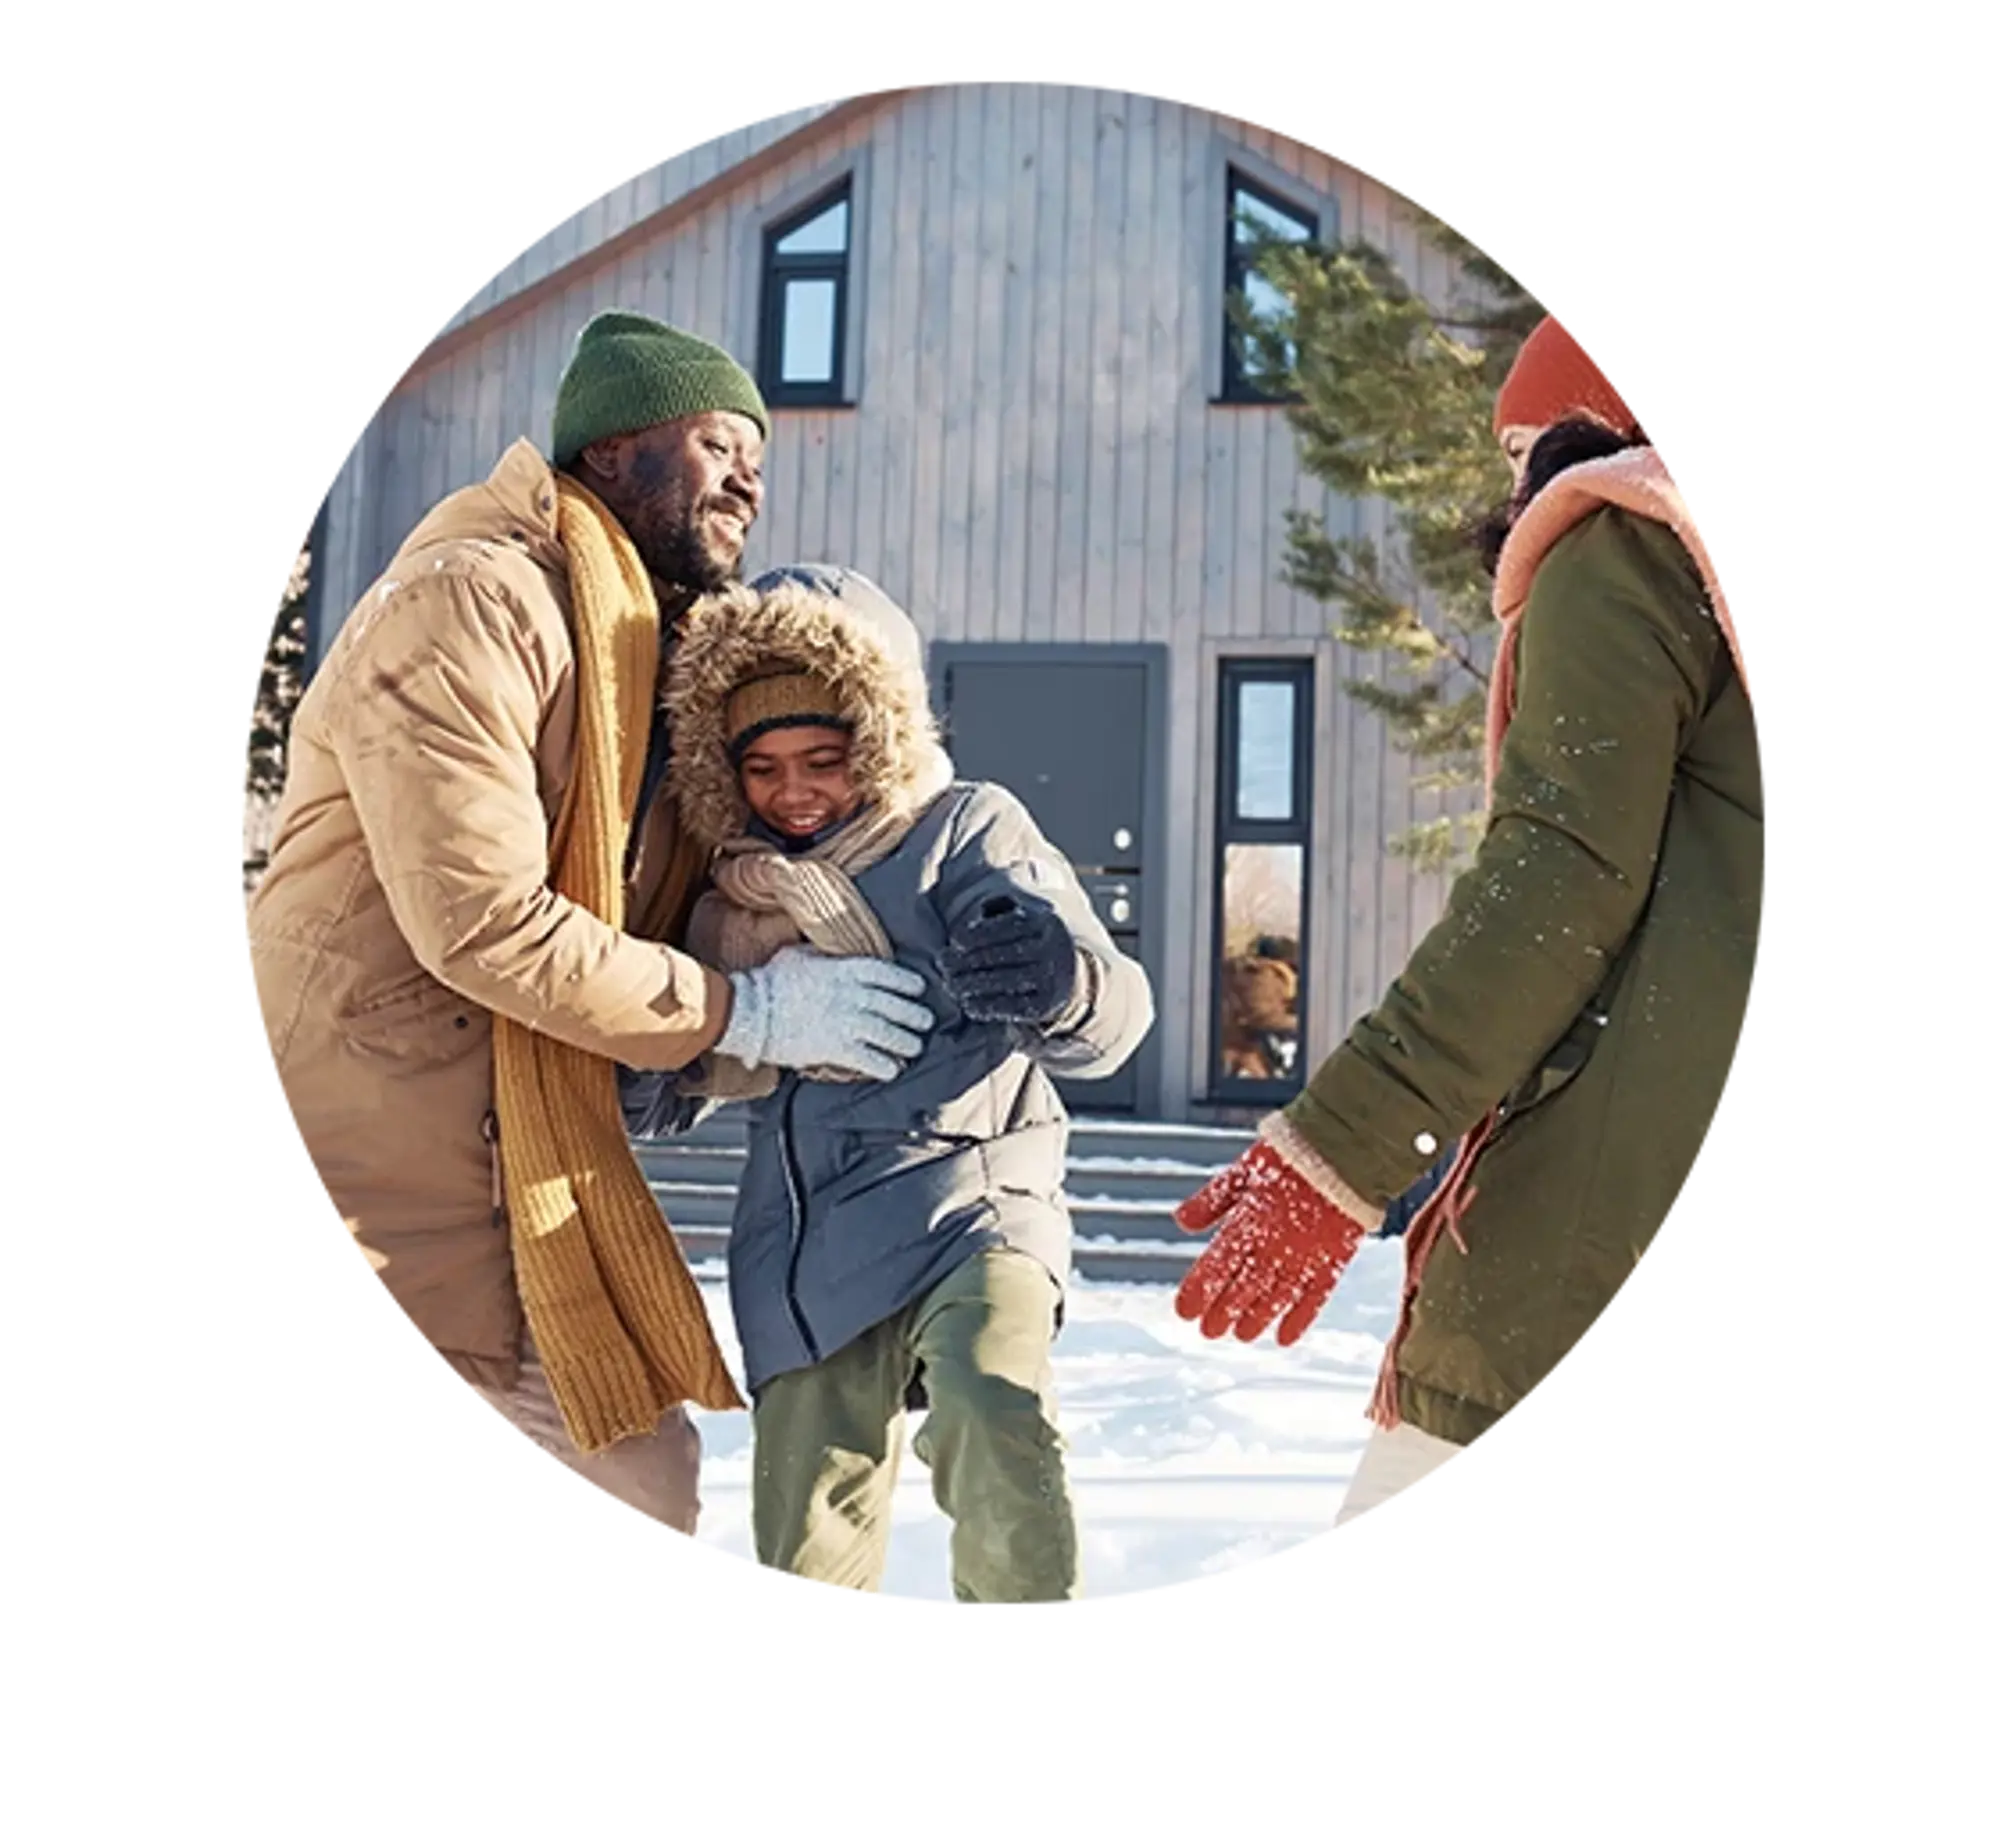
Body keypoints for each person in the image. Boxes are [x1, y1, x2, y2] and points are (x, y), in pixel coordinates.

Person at [241, 312, 934, 1542]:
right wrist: (744, 1013)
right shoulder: (472, 600)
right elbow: (481, 917)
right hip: (367, 1153)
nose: (748, 480)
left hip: (520, 1169)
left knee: (640, 1473)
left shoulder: (647, 663)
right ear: (611, 449)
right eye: (717, 444)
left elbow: (685, 912)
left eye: (757, 458)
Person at [1172, 308, 1765, 1534]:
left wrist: (1339, 1145)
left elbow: (1557, 872)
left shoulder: (1628, 538)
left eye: (1519, 448)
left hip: (1600, 1229)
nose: (1513, 484)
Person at [622, 563, 1154, 1604]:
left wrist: (1062, 979)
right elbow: (660, 1095)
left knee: (993, 1413)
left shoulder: (962, 830)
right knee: (809, 1523)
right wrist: (696, 1028)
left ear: (877, 738)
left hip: (975, 1201)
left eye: (823, 759)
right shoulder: (728, 894)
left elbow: (1114, 1018)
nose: (793, 791)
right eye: (762, 767)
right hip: (806, 1239)